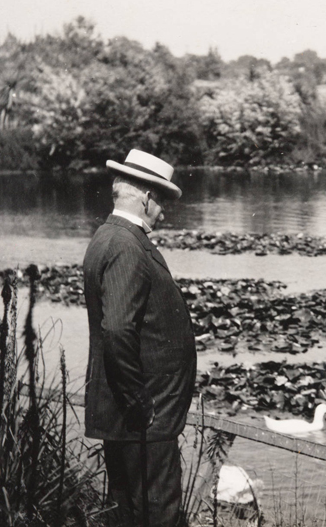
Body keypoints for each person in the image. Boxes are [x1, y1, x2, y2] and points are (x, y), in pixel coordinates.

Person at [83, 149, 197, 527]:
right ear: (146, 197)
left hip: (126, 413)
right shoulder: (127, 246)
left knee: (127, 512)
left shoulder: (106, 236)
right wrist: (140, 403)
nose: (163, 213)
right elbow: (117, 330)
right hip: (143, 416)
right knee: (158, 513)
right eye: (161, 201)